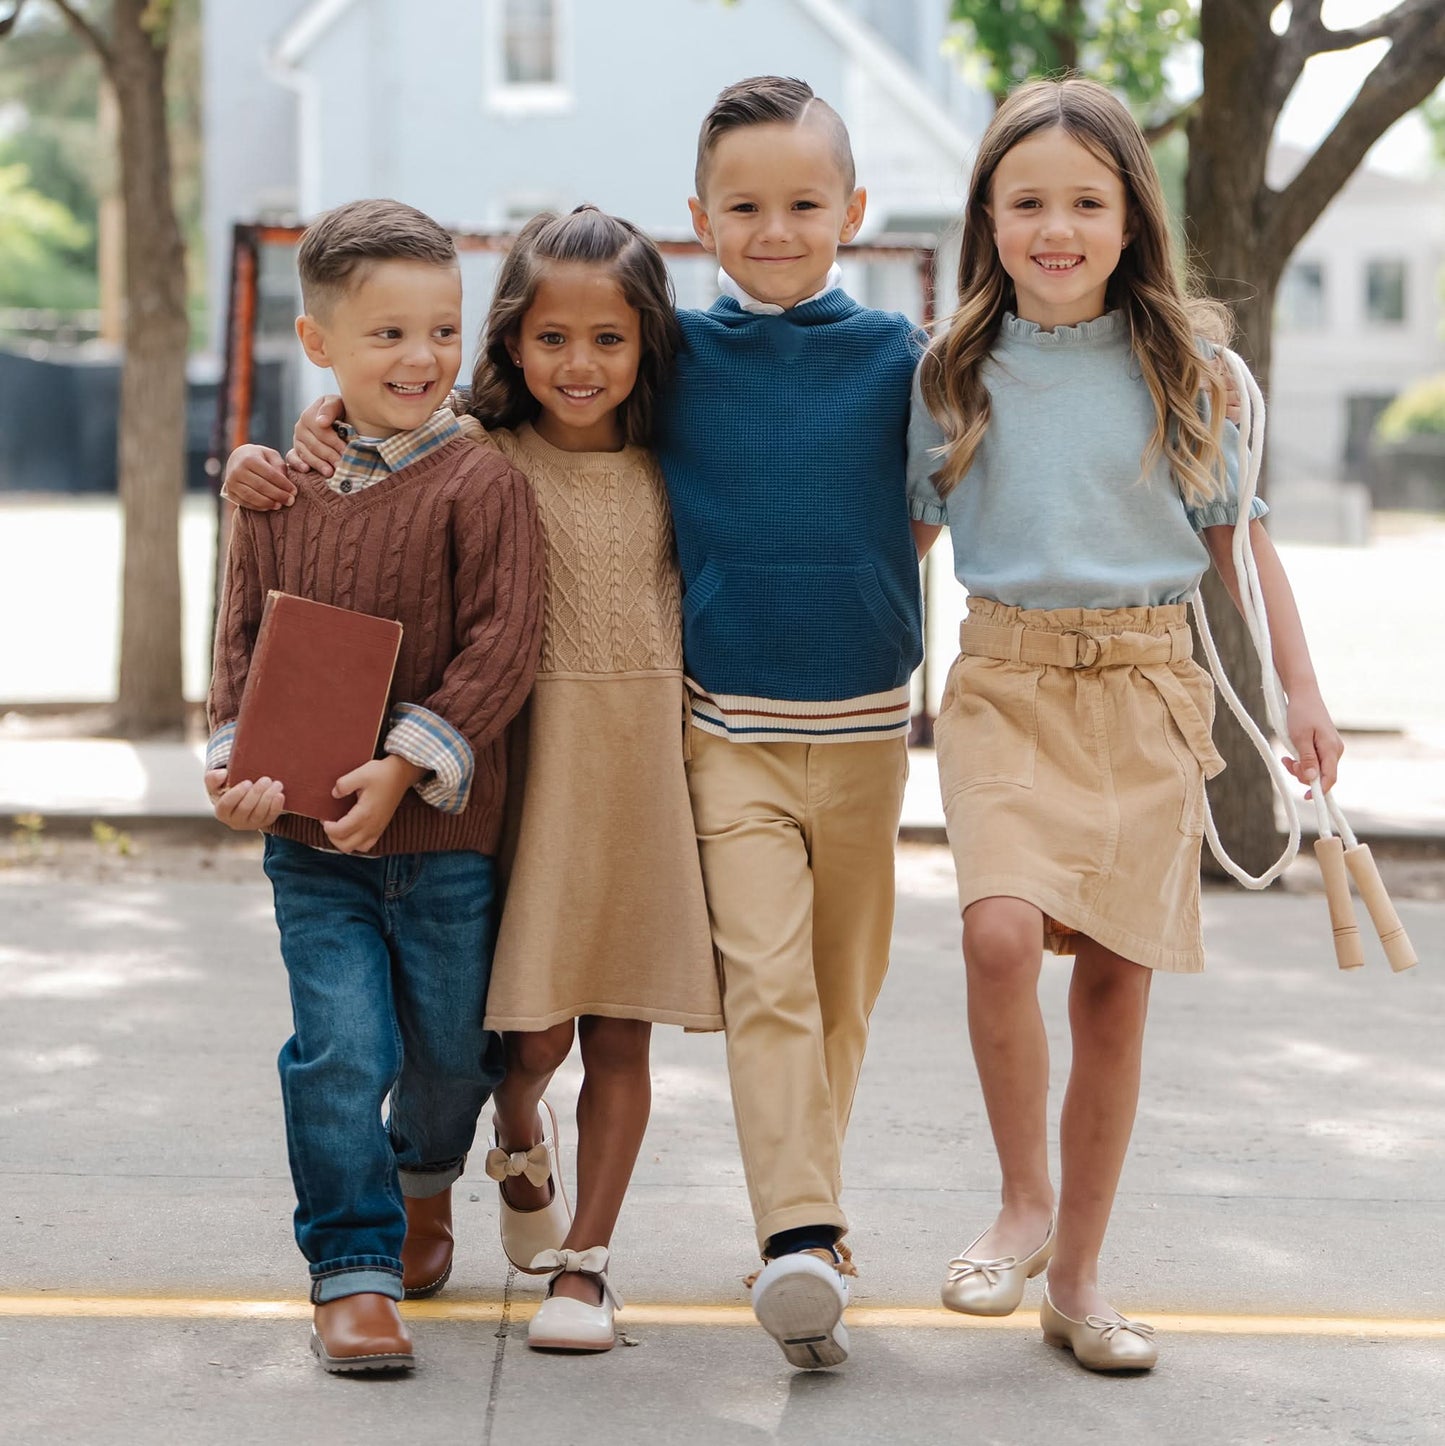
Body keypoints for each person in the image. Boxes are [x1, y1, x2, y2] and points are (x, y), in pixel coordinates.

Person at [223, 205, 722, 1355]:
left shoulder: (590, 467)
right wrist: (279, 451)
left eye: (435, 331)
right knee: (416, 1046)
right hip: (412, 811)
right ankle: (379, 1243)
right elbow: (273, 598)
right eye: (550, 339)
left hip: (542, 805)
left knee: (531, 1045)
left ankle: (508, 1218)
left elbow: (510, 635)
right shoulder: (441, 462)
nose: (579, 364)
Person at [907, 77, 1343, 1373]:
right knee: (995, 934)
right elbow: (899, 551)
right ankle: (1021, 1202)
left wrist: (1303, 695)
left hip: (1150, 691)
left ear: (1128, 216)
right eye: (1027, 200)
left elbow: (1242, 555)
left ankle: (1080, 1277)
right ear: (987, 214)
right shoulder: (951, 373)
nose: (1057, 227)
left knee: (1113, 987)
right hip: (1003, 682)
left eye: (1085, 202)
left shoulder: (1187, 372)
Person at [207, 198, 545, 1374]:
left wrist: (405, 764)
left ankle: (424, 1179)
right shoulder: (277, 488)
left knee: (452, 1054)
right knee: (339, 1049)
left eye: (442, 331)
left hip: (448, 834)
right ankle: (350, 1269)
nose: (421, 358)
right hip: (312, 845)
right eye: (389, 335)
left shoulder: (480, 481)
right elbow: (240, 641)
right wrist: (232, 768)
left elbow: (503, 648)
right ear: (319, 345)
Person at [656, 75, 924, 1370]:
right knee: (765, 984)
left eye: (804, 203)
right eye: (746, 205)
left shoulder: (898, 358)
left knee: (840, 991)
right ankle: (797, 1235)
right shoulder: (677, 359)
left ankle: (813, 1211)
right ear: (700, 218)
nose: (776, 227)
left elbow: (938, 498)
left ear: (852, 212)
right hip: (729, 727)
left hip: (871, 725)